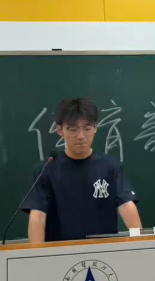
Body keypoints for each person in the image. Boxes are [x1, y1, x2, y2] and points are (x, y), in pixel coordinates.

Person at [23, 97, 142, 242]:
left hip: (104, 250)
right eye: (73, 129)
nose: (81, 136)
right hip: (60, 251)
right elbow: (38, 217)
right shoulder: (46, 170)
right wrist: (37, 253)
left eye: (87, 128)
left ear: (95, 128)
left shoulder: (110, 166)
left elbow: (127, 207)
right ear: (60, 129)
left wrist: (141, 246)